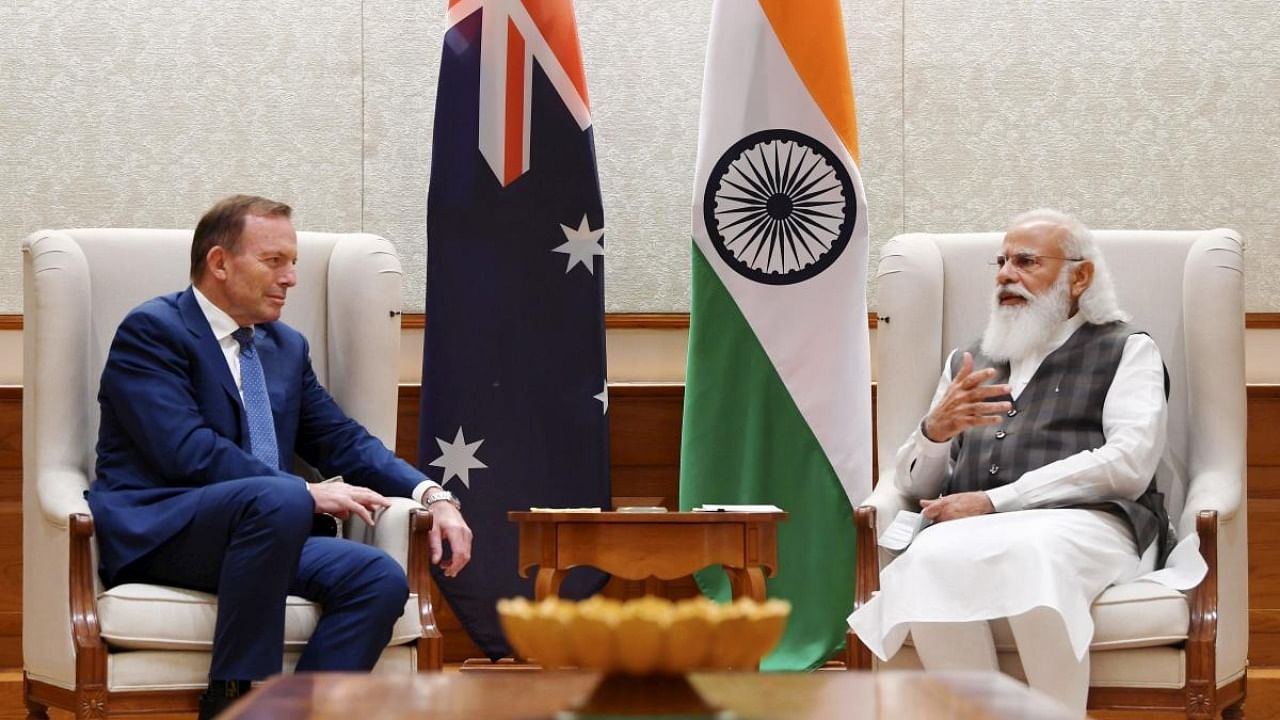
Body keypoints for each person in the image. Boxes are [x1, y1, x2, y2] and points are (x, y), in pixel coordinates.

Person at [88, 195, 473, 719]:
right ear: (219, 263)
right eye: (274, 261)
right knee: (279, 496)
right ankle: (236, 699)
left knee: (377, 579)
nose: (291, 277)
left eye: (293, 262)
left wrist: (434, 494)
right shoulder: (154, 331)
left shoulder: (284, 348)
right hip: (167, 531)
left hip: (269, 531)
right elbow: (185, 451)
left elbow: (344, 441)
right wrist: (305, 493)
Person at [848, 208, 1172, 716]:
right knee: (929, 559)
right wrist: (935, 433)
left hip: (1093, 522)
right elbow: (913, 483)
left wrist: (997, 501)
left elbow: (1128, 463)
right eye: (1000, 262)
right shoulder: (970, 361)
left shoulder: (1126, 349)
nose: (1005, 274)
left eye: (1025, 261)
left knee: (1030, 552)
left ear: (1079, 276)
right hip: (973, 526)